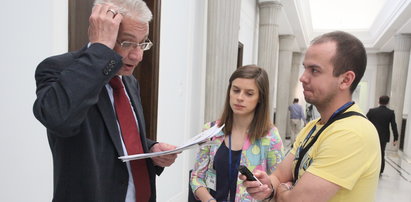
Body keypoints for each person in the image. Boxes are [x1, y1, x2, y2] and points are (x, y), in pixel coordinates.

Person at [33, 0, 178, 201]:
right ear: (103, 33)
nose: (137, 56)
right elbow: (60, 120)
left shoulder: (129, 81)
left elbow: (114, 137)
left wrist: (151, 149)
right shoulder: (57, 68)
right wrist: (100, 48)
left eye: (142, 43)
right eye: (127, 43)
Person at [242, 31, 381, 202]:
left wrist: (285, 190)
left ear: (345, 80)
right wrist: (269, 186)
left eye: (314, 70)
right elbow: (279, 176)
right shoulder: (315, 125)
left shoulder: (352, 133)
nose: (302, 77)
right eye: (305, 68)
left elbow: (295, 200)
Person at [190, 65, 284, 202]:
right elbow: (197, 177)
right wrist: (209, 200)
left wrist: (268, 190)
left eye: (249, 93)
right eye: (236, 90)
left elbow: (279, 184)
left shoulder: (270, 137)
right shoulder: (211, 131)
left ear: (260, 98)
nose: (240, 98)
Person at [367, 95, 399, 175]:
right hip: (383, 137)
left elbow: (365, 121)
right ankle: (380, 170)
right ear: (388, 102)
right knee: (381, 152)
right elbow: (393, 125)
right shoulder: (390, 113)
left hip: (372, 135)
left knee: (370, 152)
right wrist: (396, 138)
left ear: (379, 101)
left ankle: (369, 168)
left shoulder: (372, 111)